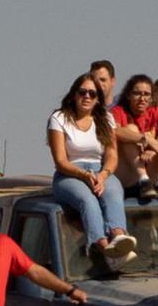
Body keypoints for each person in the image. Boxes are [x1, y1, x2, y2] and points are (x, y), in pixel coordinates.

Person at [47, 73, 138, 268]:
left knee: (114, 191)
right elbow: (60, 161)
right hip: (69, 173)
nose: (87, 97)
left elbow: (112, 155)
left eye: (93, 94)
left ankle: (119, 238)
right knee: (87, 200)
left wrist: (103, 175)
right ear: (73, 94)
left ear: (98, 99)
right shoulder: (59, 118)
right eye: (83, 92)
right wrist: (83, 175)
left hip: (100, 169)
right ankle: (103, 247)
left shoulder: (106, 119)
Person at [111, 74, 158, 201]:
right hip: (128, 176)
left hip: (151, 171)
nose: (142, 98)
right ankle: (143, 180)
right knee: (130, 130)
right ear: (129, 95)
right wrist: (145, 139)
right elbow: (115, 131)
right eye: (137, 93)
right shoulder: (118, 111)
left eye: (146, 94)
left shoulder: (154, 111)